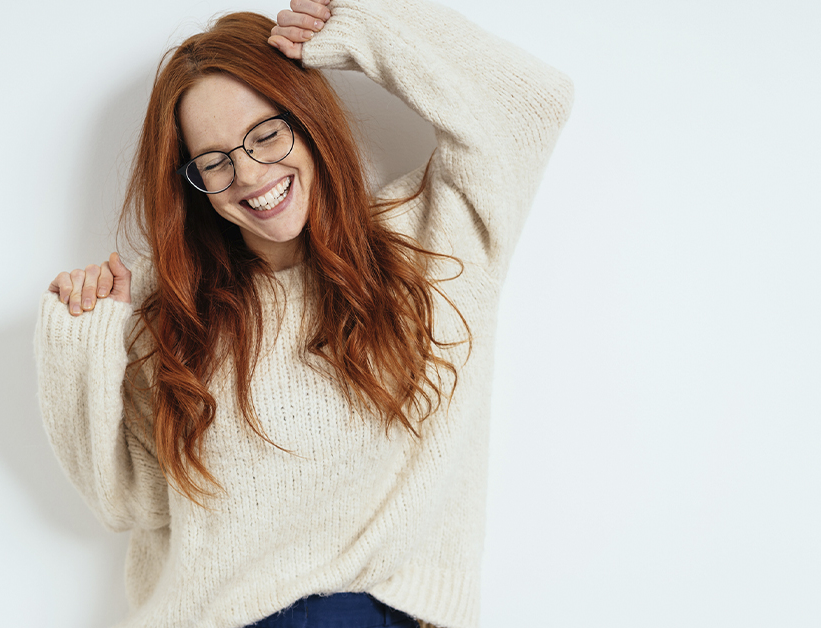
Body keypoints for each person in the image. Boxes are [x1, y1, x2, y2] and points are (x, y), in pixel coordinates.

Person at [35, 0, 574, 626]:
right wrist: (82, 343)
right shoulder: (174, 312)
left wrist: (373, 26)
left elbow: (533, 105)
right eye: (214, 160)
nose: (250, 173)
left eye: (266, 133)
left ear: (310, 120)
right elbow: (129, 503)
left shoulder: (434, 238)